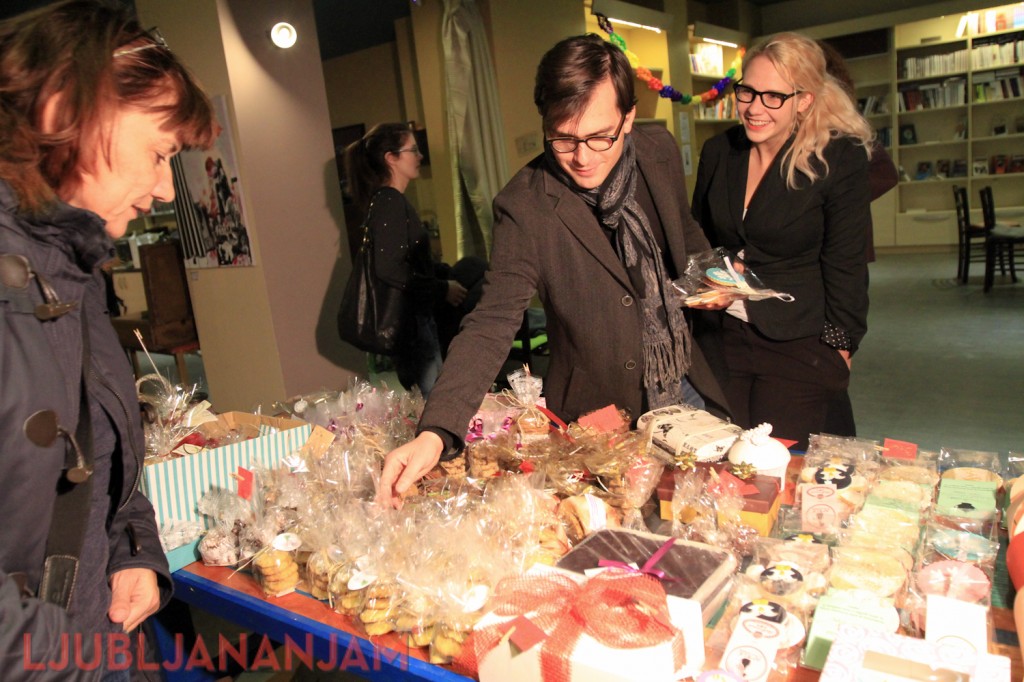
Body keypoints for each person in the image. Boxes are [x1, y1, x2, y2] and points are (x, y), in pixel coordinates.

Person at [377, 34, 730, 507]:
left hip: (683, 382)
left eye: (600, 136)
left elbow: (681, 226)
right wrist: (436, 431)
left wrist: (714, 273)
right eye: (563, 138)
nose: (582, 158)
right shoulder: (525, 206)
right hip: (600, 419)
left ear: (628, 118)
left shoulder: (658, 150)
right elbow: (491, 323)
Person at [0, 1, 217, 679]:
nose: (164, 188)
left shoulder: (72, 269)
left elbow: (96, 455)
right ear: (62, 111)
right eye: (158, 154)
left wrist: (133, 550)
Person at [690, 32, 874, 450]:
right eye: (748, 92)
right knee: (726, 461)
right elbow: (699, 237)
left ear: (803, 100)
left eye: (773, 97)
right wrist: (713, 277)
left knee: (779, 464)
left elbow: (846, 264)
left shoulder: (836, 158)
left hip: (797, 343)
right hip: (722, 340)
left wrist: (840, 348)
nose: (755, 108)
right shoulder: (719, 151)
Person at [343, 123, 470, 396]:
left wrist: (442, 275)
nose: (420, 156)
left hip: (414, 324)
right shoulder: (389, 202)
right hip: (411, 327)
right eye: (413, 150)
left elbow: (405, 261)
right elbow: (389, 267)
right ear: (391, 158)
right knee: (432, 401)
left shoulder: (386, 201)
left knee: (432, 397)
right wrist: (442, 289)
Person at [818, 39, 899, 437]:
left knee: (832, 365)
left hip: (844, 255)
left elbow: (885, 173)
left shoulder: (842, 126)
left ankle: (837, 449)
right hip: (809, 266)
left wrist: (837, 201)